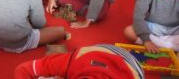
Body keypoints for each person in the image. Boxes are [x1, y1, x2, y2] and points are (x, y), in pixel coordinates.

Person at [15, 44, 144, 79]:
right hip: (94, 53)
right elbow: (22, 69)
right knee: (51, 59)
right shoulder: (71, 62)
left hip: (132, 68)